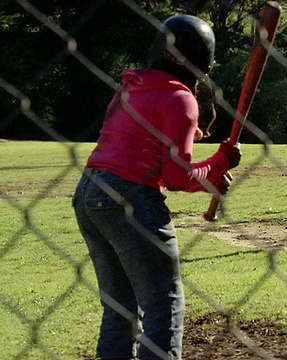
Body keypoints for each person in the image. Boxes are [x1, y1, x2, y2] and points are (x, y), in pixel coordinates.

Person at [72, 15, 241, 360]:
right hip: (131, 198)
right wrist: (220, 162)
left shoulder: (133, 86)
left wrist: (209, 176)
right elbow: (176, 177)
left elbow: (163, 168)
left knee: (120, 307)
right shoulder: (181, 100)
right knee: (165, 305)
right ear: (202, 62)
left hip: (89, 191)